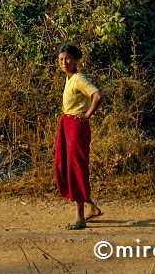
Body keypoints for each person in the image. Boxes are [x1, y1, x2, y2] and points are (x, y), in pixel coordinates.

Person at [54, 43, 102, 230]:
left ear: (75, 60)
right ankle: (91, 207)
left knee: (76, 169)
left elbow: (97, 95)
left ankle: (79, 217)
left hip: (76, 126)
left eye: (67, 59)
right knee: (65, 166)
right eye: (60, 59)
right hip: (67, 125)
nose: (64, 63)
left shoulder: (80, 78)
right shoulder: (69, 78)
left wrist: (88, 114)